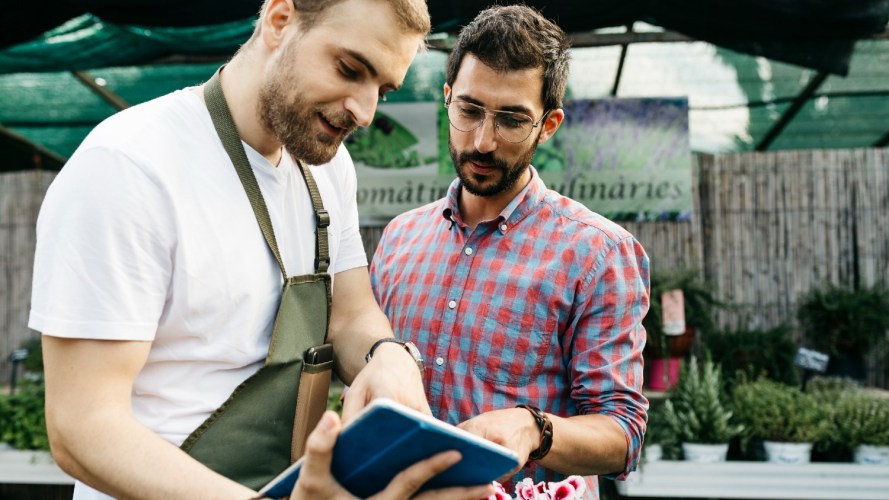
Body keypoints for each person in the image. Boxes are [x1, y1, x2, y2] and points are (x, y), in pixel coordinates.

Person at [30, 0, 493, 498]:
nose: (364, 111)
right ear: (279, 21)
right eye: (349, 69)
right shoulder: (129, 166)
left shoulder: (328, 168)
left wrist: (387, 356)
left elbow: (351, 312)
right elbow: (83, 428)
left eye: (381, 88)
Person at [370, 4, 650, 498]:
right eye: (470, 110)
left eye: (512, 120)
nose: (482, 140)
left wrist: (535, 429)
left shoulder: (597, 253)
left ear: (549, 124)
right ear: (447, 98)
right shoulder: (398, 239)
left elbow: (623, 433)